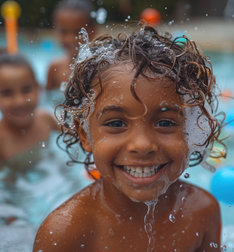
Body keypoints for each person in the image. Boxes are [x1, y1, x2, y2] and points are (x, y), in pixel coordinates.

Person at [34, 26, 223, 251]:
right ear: (85, 133)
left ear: (193, 129)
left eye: (165, 123)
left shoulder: (202, 211)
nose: (142, 145)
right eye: (116, 123)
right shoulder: (65, 232)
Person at [0, 48, 58, 176]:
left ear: (38, 89)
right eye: (6, 93)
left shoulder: (46, 119)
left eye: (26, 90)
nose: (19, 101)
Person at [46, 0, 96, 90]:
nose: (70, 38)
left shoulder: (99, 69)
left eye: (78, 32)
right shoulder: (55, 68)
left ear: (93, 31)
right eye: (63, 31)